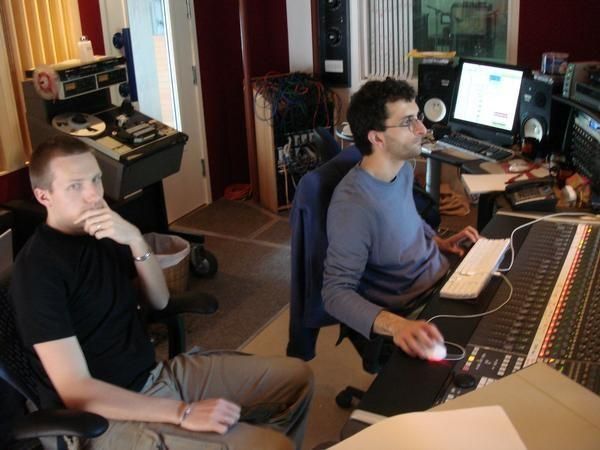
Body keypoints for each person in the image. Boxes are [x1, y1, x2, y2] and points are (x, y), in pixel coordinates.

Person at [10, 135, 313, 450]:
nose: (94, 194)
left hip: (153, 375)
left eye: (96, 179)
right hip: (103, 416)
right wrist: (183, 413)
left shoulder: (105, 232)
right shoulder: (37, 271)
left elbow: (160, 300)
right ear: (44, 196)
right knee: (270, 446)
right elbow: (78, 391)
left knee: (297, 379)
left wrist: (135, 240)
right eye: (75, 186)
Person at [322, 78, 479, 361]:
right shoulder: (353, 207)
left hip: (441, 278)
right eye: (408, 122)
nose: (422, 129)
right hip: (414, 308)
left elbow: (408, 220)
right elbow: (335, 294)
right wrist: (398, 326)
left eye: (418, 118)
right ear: (377, 138)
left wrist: (439, 242)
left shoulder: (402, 170)